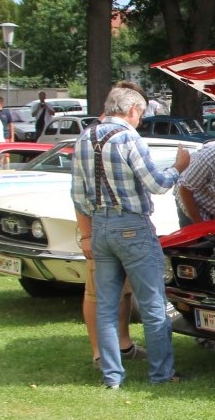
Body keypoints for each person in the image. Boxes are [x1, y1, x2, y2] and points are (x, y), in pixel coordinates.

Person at [73, 85, 191, 387]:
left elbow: (77, 194)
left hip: (100, 226)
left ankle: (112, 376)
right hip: (133, 226)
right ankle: (161, 374)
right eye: (141, 113)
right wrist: (179, 168)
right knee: (152, 304)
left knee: (106, 304)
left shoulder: (85, 137)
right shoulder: (128, 138)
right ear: (133, 110)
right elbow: (157, 184)